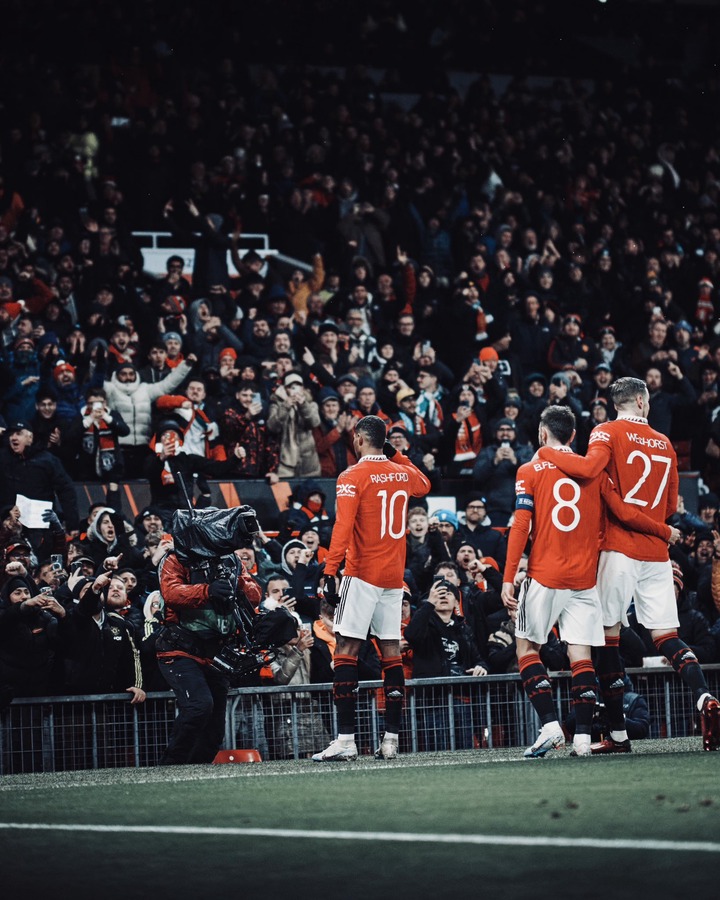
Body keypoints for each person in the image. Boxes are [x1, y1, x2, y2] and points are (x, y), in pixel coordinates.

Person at [537, 377, 720, 752]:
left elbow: (588, 472)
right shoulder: (665, 444)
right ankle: (704, 697)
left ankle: (617, 735)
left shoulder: (605, 432)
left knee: (606, 639)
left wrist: (547, 453)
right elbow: (670, 508)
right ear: (641, 401)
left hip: (619, 549)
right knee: (667, 636)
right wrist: (659, 529)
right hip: (656, 554)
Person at [502, 405, 680, 758]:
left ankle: (551, 725)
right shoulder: (595, 472)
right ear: (573, 436)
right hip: (584, 579)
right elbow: (618, 517)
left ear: (542, 434)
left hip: (545, 575)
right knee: (580, 656)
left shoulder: (529, 469)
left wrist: (509, 578)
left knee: (526, 647)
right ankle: (582, 739)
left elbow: (521, 525)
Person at [312, 414, 430, 761]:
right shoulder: (403, 473)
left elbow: (343, 527)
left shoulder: (352, 475)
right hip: (394, 577)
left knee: (345, 649)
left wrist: (330, 569)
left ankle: (346, 739)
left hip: (362, 574)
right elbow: (424, 485)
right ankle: (391, 740)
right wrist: (398, 456)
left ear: (359, 440)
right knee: (391, 653)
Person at [155, 519, 262, 765]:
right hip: (181, 648)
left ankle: (199, 770)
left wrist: (236, 585)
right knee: (199, 707)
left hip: (217, 653)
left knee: (215, 729)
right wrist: (207, 591)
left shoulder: (231, 560)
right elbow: (171, 594)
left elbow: (255, 594)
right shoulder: (176, 559)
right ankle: (171, 766)